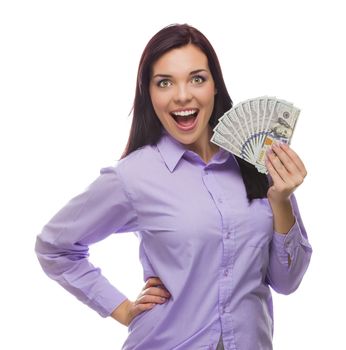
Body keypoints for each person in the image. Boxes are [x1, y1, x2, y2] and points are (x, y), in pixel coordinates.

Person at [35, 23, 313, 350]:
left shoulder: (258, 165)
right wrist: (123, 309)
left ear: (214, 87)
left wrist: (281, 201)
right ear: (148, 93)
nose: (182, 95)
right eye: (164, 82)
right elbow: (54, 246)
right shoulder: (133, 176)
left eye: (197, 78)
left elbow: (287, 282)